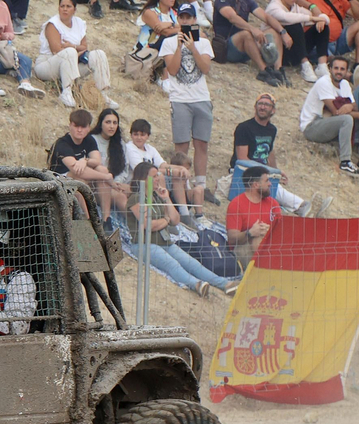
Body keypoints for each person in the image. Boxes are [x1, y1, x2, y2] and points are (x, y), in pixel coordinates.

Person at [129, 161, 235, 297]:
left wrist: (166, 198)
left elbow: (175, 220)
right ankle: (196, 284)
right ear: (144, 179)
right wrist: (165, 220)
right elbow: (148, 225)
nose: (158, 179)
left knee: (192, 263)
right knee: (172, 265)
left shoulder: (157, 197)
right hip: (144, 244)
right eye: (154, 176)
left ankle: (224, 284)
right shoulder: (135, 199)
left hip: (163, 241)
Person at [158, 5, 216, 203]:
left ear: (194, 20)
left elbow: (206, 68)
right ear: (178, 20)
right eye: (182, 17)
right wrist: (179, 47)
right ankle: (181, 184)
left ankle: (201, 184)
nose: (185, 21)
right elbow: (172, 70)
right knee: (181, 144)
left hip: (201, 97)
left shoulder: (204, 43)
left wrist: (193, 48)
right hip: (180, 98)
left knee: (201, 143)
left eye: (188, 18)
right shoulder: (168, 42)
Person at [229, 92, 314, 215]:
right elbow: (242, 159)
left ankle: (301, 209)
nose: (262, 107)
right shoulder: (244, 128)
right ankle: (302, 206)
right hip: (243, 171)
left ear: (273, 110)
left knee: (272, 188)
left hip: (263, 172)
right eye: (260, 104)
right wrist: (269, 172)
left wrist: (276, 172)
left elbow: (269, 152)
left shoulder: (272, 130)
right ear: (255, 107)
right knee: (272, 188)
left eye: (266, 105)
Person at [300, 55, 359, 176]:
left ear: (347, 71)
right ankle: (345, 161)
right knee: (348, 119)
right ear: (329, 68)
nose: (339, 72)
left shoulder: (345, 85)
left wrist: (350, 107)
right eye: (336, 68)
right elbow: (336, 112)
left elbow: (355, 107)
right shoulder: (324, 83)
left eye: (342, 69)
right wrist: (352, 109)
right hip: (312, 126)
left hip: (329, 122)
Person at [226, 165, 281, 267]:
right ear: (256, 185)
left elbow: (282, 231)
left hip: (270, 247)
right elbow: (232, 238)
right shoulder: (236, 204)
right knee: (256, 239)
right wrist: (250, 233)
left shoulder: (273, 203)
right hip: (244, 247)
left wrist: (270, 230)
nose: (270, 184)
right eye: (266, 181)